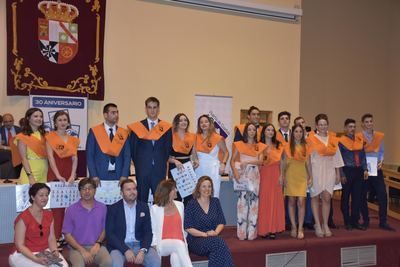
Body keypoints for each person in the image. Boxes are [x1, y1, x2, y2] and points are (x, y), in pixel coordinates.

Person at [9, 183, 68, 267]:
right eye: (41, 195)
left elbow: (51, 238)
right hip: (22, 253)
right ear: (32, 197)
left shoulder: (49, 214)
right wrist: (36, 259)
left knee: (64, 266)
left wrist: (55, 251)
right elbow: (20, 245)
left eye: (46, 195)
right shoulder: (23, 218)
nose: (45, 198)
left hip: (44, 250)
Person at [106, 179, 161, 267]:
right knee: (116, 264)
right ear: (121, 193)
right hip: (120, 246)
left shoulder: (144, 207)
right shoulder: (113, 209)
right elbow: (110, 234)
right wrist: (125, 250)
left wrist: (143, 250)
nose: (132, 192)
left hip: (140, 244)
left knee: (156, 262)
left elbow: (148, 232)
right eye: (128, 189)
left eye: (134, 189)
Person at [128, 97, 172, 203]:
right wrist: (140, 164)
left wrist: (160, 161)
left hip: (159, 169)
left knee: (160, 199)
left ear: (158, 109)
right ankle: (142, 219)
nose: (152, 110)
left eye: (154, 107)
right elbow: (133, 149)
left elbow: (168, 148)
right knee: (141, 199)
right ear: (146, 109)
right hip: (142, 169)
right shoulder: (137, 127)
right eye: (149, 107)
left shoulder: (166, 127)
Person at [307, 114, 344, 237]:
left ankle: (325, 224)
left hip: (329, 170)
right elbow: (308, 158)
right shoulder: (311, 139)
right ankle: (317, 224)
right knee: (315, 197)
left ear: (328, 125)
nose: (323, 126)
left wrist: (338, 173)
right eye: (320, 124)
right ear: (316, 125)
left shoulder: (333, 139)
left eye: (325, 124)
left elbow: (337, 157)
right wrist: (310, 175)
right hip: (316, 169)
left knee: (327, 197)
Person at [357, 114, 395, 231]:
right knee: (363, 196)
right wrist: (362, 167)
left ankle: (383, 221)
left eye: (371, 121)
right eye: (366, 122)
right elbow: (357, 154)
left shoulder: (379, 136)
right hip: (364, 171)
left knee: (382, 195)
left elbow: (382, 152)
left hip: (377, 169)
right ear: (362, 124)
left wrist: (381, 162)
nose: (369, 124)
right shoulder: (358, 137)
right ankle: (365, 221)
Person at [45, 110, 79, 240]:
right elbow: (50, 158)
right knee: (56, 209)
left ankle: (68, 237)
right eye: (60, 120)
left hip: (69, 175)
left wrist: (72, 175)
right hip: (55, 174)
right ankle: (56, 237)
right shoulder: (50, 137)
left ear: (68, 122)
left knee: (70, 208)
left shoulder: (73, 139)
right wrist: (58, 175)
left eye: (65, 120)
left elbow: (75, 158)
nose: (63, 122)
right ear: (55, 122)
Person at [184, 176, 233, 266]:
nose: (207, 189)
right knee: (219, 244)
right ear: (198, 188)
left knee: (218, 249)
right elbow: (188, 227)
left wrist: (215, 232)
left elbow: (221, 222)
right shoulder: (191, 204)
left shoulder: (215, 202)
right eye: (204, 186)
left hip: (213, 236)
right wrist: (205, 234)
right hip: (196, 239)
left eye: (209, 186)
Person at [63, 178, 112, 267]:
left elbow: (105, 229)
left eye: (90, 188)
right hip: (76, 248)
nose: (87, 191)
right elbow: (67, 235)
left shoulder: (102, 207)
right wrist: (82, 250)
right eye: (83, 188)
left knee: (108, 262)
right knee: (79, 265)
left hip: (96, 246)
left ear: (95, 190)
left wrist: (98, 243)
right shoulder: (71, 209)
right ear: (79, 191)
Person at [231, 123, 266, 240]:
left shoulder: (260, 146)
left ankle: (252, 233)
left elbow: (261, 161)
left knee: (254, 203)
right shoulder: (239, 145)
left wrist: (249, 163)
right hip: (242, 174)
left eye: (253, 129)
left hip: (254, 174)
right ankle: (241, 233)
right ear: (245, 131)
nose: (251, 131)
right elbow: (232, 161)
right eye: (249, 129)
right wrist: (235, 173)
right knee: (242, 203)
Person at [150, 179, 192, 267]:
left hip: (179, 243)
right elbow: (152, 230)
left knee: (175, 256)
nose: (176, 190)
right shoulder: (155, 208)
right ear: (167, 192)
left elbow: (183, 226)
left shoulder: (180, 205)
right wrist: (154, 245)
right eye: (174, 189)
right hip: (162, 243)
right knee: (178, 244)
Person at [86, 103, 130, 184]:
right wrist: (94, 175)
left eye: (117, 112)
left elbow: (127, 156)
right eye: (113, 113)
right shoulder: (94, 131)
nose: (116, 115)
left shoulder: (123, 133)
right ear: (105, 115)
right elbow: (90, 155)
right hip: (99, 176)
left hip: (119, 176)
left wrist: (124, 175)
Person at [338, 118, 368, 231]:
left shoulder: (359, 140)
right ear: (345, 128)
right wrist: (341, 174)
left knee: (357, 197)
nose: (352, 129)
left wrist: (365, 169)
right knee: (345, 197)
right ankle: (347, 221)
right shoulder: (341, 142)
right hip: (347, 171)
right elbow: (339, 159)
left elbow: (363, 156)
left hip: (358, 170)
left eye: (354, 127)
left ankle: (355, 221)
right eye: (350, 127)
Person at [283, 124, 312, 239]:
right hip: (290, 175)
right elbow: (283, 164)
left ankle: (300, 227)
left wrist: (311, 177)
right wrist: (283, 176)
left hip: (302, 176)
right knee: (291, 201)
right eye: (296, 131)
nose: (298, 134)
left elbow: (308, 164)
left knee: (301, 201)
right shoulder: (286, 147)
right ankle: (294, 227)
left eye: (300, 132)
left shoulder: (306, 147)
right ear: (292, 133)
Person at [258, 123, 285, 239]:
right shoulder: (259, 145)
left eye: (272, 130)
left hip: (275, 174)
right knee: (264, 202)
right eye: (268, 130)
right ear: (264, 132)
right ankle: (264, 229)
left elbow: (283, 162)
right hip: (263, 175)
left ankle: (273, 229)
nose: (270, 132)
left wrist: (282, 175)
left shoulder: (279, 145)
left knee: (275, 202)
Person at [195, 115, 229, 198]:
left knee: (213, 194)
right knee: (199, 194)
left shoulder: (217, 138)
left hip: (213, 170)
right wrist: (194, 161)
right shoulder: (195, 137)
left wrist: (223, 164)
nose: (204, 124)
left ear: (210, 123)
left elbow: (226, 152)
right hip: (199, 169)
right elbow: (193, 154)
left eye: (206, 122)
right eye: (201, 122)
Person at [168, 113, 199, 204]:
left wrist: (196, 161)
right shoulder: (170, 136)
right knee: (175, 195)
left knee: (189, 196)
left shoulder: (192, 136)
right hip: (174, 167)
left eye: (185, 120)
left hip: (187, 167)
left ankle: (188, 217)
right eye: (181, 120)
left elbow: (194, 153)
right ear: (176, 122)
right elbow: (165, 156)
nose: (183, 122)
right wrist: (175, 161)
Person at [13, 108, 48, 184]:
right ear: (28, 118)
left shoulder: (44, 135)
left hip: (44, 172)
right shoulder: (22, 136)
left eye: (41, 116)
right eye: (35, 116)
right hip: (30, 172)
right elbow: (23, 159)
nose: (39, 118)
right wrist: (30, 176)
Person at [0, 113, 22, 179]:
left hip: (18, 155)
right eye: (6, 122)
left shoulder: (19, 130)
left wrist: (5, 147)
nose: (8, 123)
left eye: (10, 121)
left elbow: (20, 146)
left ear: (13, 121)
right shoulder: (0, 130)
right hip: (5, 157)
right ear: (3, 122)